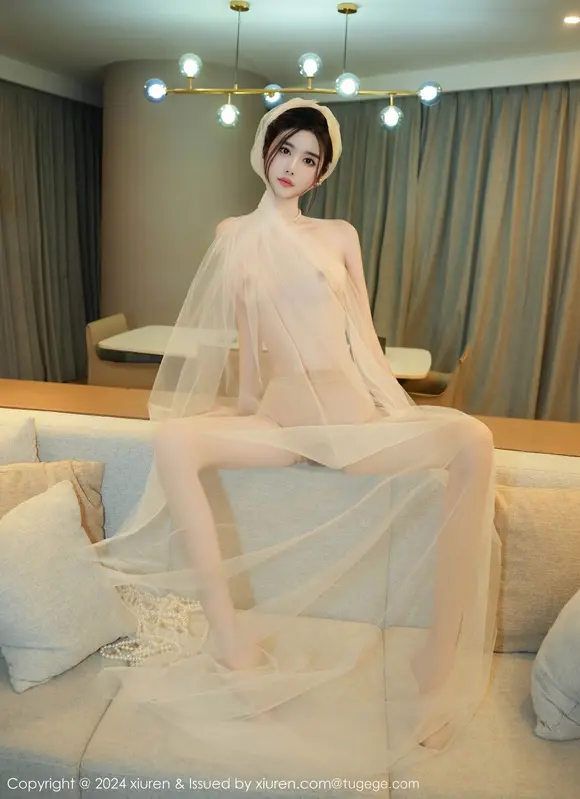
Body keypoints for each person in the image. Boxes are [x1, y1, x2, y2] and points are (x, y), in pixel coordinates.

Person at [91, 98, 501, 783]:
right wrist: (241, 407)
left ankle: (436, 661)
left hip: (350, 420)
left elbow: (363, 338)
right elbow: (248, 338)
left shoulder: (338, 235)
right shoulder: (233, 234)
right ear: (264, 149)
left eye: (309, 159)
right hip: (283, 421)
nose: (292, 166)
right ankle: (235, 648)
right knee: (176, 442)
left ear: (320, 174)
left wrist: (392, 407)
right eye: (285, 149)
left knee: (474, 441)